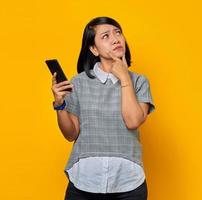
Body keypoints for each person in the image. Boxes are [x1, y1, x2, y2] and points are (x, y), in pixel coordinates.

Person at [51, 16, 155, 200]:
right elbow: (71, 134)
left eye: (118, 33)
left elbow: (132, 121)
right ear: (93, 48)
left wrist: (124, 78)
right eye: (105, 36)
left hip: (128, 182)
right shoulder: (79, 83)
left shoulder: (139, 81)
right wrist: (60, 105)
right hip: (84, 181)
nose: (115, 39)